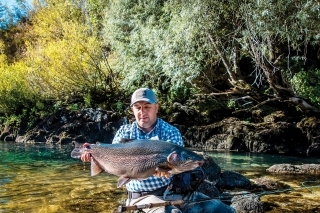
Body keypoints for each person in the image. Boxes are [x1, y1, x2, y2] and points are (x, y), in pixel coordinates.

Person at [81, 88, 235, 213]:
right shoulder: (124, 132)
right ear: (132, 110)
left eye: (147, 107)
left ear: (156, 107)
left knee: (224, 210)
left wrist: (168, 169)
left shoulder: (170, 132)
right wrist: (92, 154)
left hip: (175, 192)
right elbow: (112, 160)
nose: (142, 112)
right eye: (138, 108)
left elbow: (177, 167)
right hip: (141, 197)